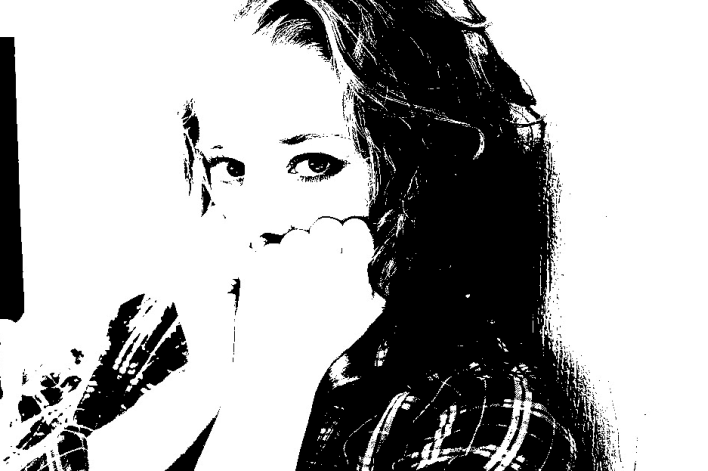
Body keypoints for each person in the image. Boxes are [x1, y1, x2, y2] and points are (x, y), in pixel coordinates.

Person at [2, 0, 616, 470]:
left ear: (419, 175)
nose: (261, 217)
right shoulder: (155, 329)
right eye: (231, 168)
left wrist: (270, 392)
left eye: (315, 164)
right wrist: (203, 386)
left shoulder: (481, 415)